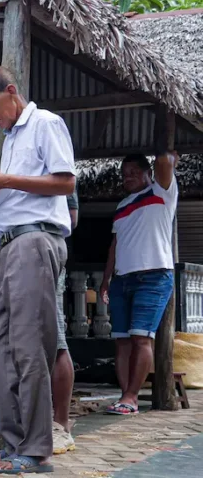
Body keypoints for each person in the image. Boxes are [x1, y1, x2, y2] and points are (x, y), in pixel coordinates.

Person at [0, 65, 76, 474]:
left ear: (11, 91)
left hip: (36, 241)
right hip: (7, 243)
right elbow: (1, 197)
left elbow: (66, 182)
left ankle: (35, 449)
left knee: (28, 346)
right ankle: (12, 441)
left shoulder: (45, 123)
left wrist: (7, 180)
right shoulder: (12, 139)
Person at [101, 151, 179, 416]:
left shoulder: (163, 193)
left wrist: (168, 159)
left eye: (134, 171)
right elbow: (114, 245)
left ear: (148, 173)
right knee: (122, 341)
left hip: (154, 276)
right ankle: (125, 397)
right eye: (124, 174)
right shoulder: (121, 206)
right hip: (122, 279)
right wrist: (105, 280)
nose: (128, 177)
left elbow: (164, 162)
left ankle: (132, 397)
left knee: (141, 338)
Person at [52, 191, 79, 454]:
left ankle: (61, 424)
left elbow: (72, 219)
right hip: (16, 249)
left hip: (45, 248)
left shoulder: (59, 166)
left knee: (57, 341)